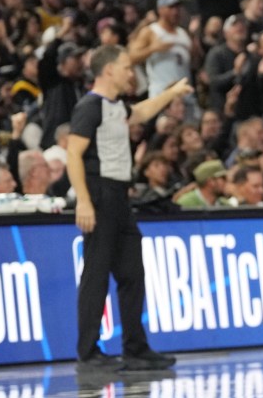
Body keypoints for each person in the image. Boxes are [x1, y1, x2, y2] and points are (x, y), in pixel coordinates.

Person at [67, 44, 192, 372]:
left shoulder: (115, 106)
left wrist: (171, 93)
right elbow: (73, 155)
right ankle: (89, 351)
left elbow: (142, 112)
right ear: (107, 70)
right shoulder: (89, 107)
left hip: (120, 195)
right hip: (100, 192)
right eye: (125, 66)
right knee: (96, 273)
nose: (129, 72)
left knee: (132, 273)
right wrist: (83, 199)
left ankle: (136, 348)